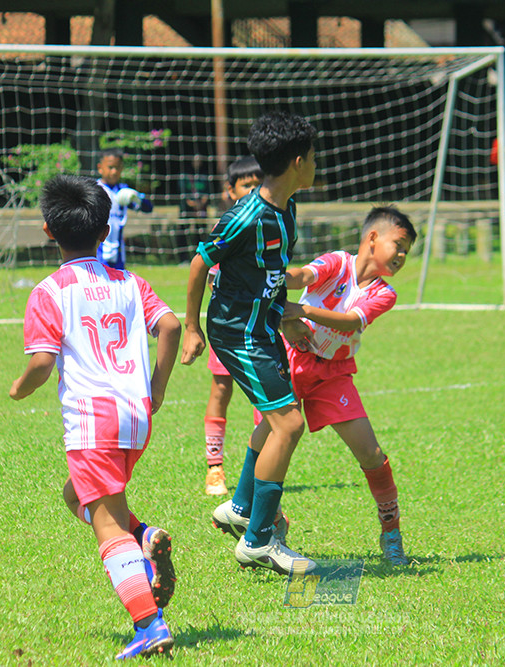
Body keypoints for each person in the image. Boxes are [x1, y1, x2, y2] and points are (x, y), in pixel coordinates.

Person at [9, 174, 182, 659]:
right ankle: (144, 536)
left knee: (105, 524)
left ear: (48, 230)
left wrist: (20, 388)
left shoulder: (48, 292)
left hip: (92, 421)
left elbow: (42, 363)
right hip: (135, 416)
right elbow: (170, 325)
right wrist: (157, 386)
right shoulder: (131, 282)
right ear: (106, 232)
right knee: (77, 496)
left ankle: (149, 623)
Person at [180, 110, 317, 575]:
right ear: (298, 161)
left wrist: (284, 315)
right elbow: (200, 262)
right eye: (314, 157)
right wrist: (193, 328)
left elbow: (269, 276)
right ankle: (259, 541)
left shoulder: (289, 208)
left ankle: (240, 509)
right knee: (289, 425)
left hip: (262, 325)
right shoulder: (246, 217)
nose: (318, 164)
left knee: (280, 417)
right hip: (237, 332)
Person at [280, 206, 416, 566]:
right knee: (270, 445)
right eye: (398, 245)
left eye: (407, 251)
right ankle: (267, 522)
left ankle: (391, 532)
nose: (402, 256)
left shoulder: (385, 293)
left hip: (334, 374)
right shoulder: (337, 263)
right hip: (290, 361)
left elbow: (349, 323)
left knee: (372, 455)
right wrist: (278, 277)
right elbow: (303, 275)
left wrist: (302, 312)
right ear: (372, 238)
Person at [202, 155, 264, 496]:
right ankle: (215, 468)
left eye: (258, 185)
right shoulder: (227, 227)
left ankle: (261, 467)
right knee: (220, 391)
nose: (252, 191)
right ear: (231, 191)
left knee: (263, 396)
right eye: (246, 186)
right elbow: (209, 274)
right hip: (229, 327)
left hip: (260, 328)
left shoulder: (272, 223)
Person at [96, 148, 154, 270]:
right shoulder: (95, 189)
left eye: (117, 168)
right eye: (110, 167)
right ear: (100, 167)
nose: (114, 172)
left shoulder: (123, 191)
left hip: (118, 251)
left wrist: (137, 198)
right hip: (99, 250)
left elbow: (148, 208)